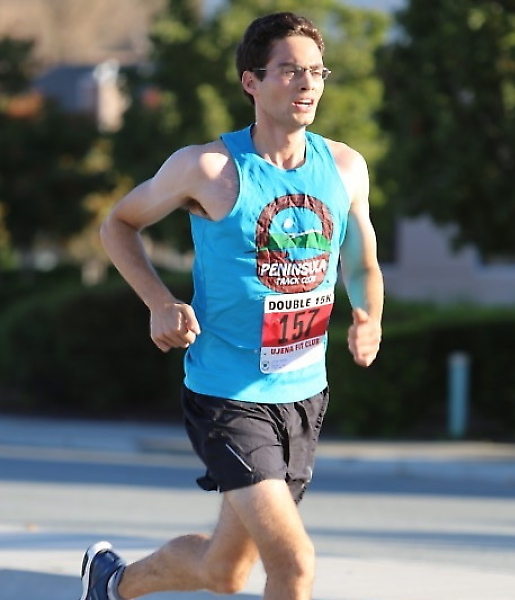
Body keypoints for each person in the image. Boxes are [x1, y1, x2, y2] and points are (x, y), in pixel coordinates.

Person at [81, 11, 383, 600]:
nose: (308, 83)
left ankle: (111, 583)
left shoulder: (345, 167)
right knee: (294, 564)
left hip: (304, 394)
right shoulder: (208, 168)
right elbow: (118, 224)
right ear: (251, 81)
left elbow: (361, 259)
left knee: (225, 572)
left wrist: (370, 315)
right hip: (228, 396)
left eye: (317, 71)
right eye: (290, 70)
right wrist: (159, 302)